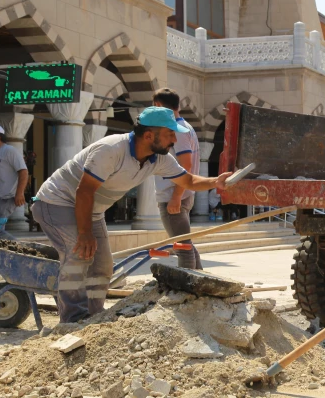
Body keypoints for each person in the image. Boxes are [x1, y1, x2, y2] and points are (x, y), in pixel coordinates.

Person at [31, 107, 232, 323]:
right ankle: (72, 320)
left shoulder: (159, 158)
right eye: (170, 133)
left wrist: (215, 182)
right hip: (56, 202)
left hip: (92, 210)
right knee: (79, 254)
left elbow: (188, 181)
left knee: (102, 266)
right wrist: (85, 232)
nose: (175, 139)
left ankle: (92, 317)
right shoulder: (110, 150)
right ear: (148, 135)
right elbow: (84, 191)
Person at [152, 88, 202, 270]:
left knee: (182, 247)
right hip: (181, 193)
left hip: (174, 195)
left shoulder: (177, 130)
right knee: (186, 243)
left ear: (158, 106)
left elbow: (185, 165)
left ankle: (188, 288)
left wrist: (176, 196)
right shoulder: (185, 127)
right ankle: (201, 282)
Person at [0, 124, 28, 240]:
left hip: (7, 198)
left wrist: (20, 193)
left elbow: (23, 172)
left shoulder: (10, 151)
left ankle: (23, 249)